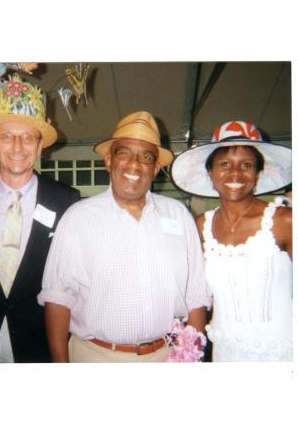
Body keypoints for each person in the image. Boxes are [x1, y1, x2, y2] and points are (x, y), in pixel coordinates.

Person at [39, 111, 210, 362]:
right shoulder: (78, 218)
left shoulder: (179, 215)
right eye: (124, 152)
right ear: (108, 161)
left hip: (166, 356)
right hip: (96, 357)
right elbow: (57, 298)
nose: (134, 164)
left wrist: (189, 360)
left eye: (146, 156)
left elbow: (196, 294)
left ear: (156, 168)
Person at [0, 71, 80, 362]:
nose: (17, 147)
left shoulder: (66, 201)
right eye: (7, 136)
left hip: (38, 342)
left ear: (40, 146)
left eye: (27, 137)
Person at [171, 120, 292, 361]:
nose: (235, 173)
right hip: (225, 352)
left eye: (246, 165)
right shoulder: (201, 225)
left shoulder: (284, 221)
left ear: (258, 174)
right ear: (211, 173)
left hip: (282, 353)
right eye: (224, 164)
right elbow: (195, 292)